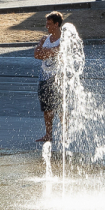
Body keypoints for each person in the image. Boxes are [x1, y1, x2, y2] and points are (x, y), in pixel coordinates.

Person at [34, 11, 64, 144]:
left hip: (59, 78)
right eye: (46, 23)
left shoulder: (64, 39)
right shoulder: (44, 39)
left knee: (61, 107)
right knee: (47, 109)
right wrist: (51, 51)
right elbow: (36, 54)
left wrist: (45, 52)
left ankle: (65, 134)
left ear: (56, 24)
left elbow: (59, 50)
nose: (47, 26)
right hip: (44, 77)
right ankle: (48, 135)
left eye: (49, 24)